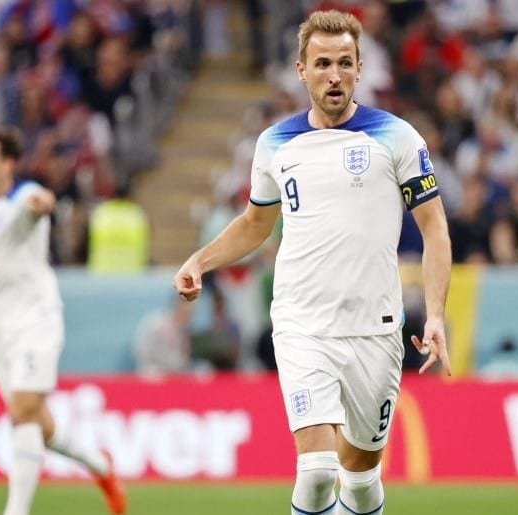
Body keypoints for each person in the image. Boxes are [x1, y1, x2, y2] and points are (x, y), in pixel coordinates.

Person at [173, 11, 452, 515]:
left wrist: (434, 314)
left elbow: (434, 228)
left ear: (360, 68)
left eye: (345, 62)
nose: (334, 74)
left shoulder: (397, 138)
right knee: (318, 473)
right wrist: (200, 259)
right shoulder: (275, 143)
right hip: (303, 325)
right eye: (322, 63)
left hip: (375, 328)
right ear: (301, 70)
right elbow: (255, 224)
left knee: (362, 481)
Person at [0, 127, 125, 515]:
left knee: (20, 411)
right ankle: (100, 465)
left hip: (36, 320)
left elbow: (39, 202)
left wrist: (44, 202)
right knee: (39, 424)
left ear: (7, 163)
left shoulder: (22, 196)